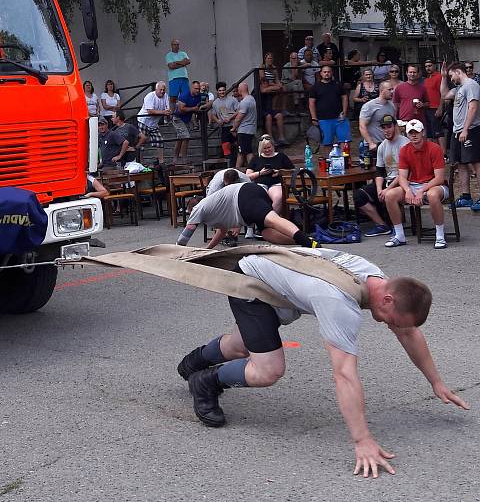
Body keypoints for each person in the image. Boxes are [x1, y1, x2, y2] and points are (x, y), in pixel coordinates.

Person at [176, 247, 468, 478]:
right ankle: (205, 381)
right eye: (394, 320)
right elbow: (344, 375)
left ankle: (194, 362)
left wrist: (436, 382)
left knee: (240, 345)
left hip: (278, 281)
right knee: (268, 369)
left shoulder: (374, 277)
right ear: (388, 300)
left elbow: (408, 331)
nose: (392, 326)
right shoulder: (339, 302)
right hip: (252, 283)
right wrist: (362, 439)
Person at [176, 179, 317, 249]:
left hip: (243, 196)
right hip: (248, 194)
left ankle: (305, 241)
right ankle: (305, 240)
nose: (191, 217)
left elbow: (186, 234)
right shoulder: (213, 212)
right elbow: (222, 231)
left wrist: (175, 251)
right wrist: (207, 250)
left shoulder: (197, 209)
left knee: (271, 219)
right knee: (266, 232)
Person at [383, 120, 449, 249]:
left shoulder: (434, 148)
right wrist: (407, 190)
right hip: (413, 184)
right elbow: (402, 176)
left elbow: (439, 178)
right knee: (390, 195)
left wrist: (421, 191)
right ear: (407, 134)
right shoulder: (404, 150)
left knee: (432, 194)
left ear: (423, 132)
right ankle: (399, 235)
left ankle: (440, 236)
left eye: (417, 132)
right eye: (411, 133)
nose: (414, 135)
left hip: (434, 185)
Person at [354, 114, 409, 236]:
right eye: (383, 128)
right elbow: (379, 171)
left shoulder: (405, 144)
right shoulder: (382, 146)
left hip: (403, 181)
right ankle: (381, 225)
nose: (386, 130)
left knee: (389, 194)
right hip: (388, 180)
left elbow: (404, 173)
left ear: (395, 126)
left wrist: (387, 189)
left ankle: (397, 229)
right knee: (359, 195)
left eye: (389, 127)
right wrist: (380, 189)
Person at [441, 61, 480, 211]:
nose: (451, 79)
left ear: (458, 71)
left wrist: (465, 129)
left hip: (471, 130)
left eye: (451, 75)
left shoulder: (471, 85)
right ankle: (466, 196)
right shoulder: (459, 88)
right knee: (461, 163)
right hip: (457, 131)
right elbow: (444, 95)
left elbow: (473, 107)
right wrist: (444, 77)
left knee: (476, 162)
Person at [246, 135, 294, 213]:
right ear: (261, 148)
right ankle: (262, 221)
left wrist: (280, 172)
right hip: (261, 184)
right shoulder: (256, 158)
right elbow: (247, 176)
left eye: (269, 147)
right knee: (257, 198)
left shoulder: (281, 156)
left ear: (273, 146)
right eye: (264, 148)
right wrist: (260, 173)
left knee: (278, 197)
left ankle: (272, 220)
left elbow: (292, 171)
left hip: (277, 183)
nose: (267, 150)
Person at [308, 65, 350, 148]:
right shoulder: (315, 87)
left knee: (345, 142)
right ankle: (328, 160)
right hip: (323, 119)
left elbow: (344, 97)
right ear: (321, 73)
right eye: (325, 72)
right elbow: (311, 103)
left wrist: (344, 112)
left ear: (332, 73)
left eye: (328, 72)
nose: (327, 74)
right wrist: (314, 117)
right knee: (327, 143)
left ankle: (345, 160)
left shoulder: (338, 84)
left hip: (340, 118)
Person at [137, 81, 171, 164]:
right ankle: (141, 161)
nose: (162, 91)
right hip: (143, 121)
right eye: (160, 90)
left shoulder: (166, 96)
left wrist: (168, 113)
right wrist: (163, 112)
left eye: (164, 90)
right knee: (142, 142)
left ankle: (161, 161)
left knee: (159, 141)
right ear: (156, 89)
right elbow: (150, 111)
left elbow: (167, 109)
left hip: (154, 123)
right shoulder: (150, 96)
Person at [358, 80, 397, 154]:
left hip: (388, 144)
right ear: (382, 91)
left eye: (393, 89)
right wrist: (370, 143)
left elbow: (395, 125)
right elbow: (362, 126)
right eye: (389, 89)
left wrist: (398, 140)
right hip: (374, 145)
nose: (392, 92)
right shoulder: (369, 106)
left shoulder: (392, 106)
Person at [259, 52, 288, 147]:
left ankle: (281, 137)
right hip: (263, 108)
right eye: (268, 58)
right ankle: (271, 138)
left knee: (279, 115)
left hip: (271, 90)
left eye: (271, 58)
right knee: (268, 116)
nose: (270, 60)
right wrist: (272, 85)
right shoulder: (262, 68)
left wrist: (277, 85)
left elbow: (277, 81)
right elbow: (263, 88)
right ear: (265, 59)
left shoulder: (274, 68)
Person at [209, 81, 239, 167]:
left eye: (223, 90)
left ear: (226, 90)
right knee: (225, 147)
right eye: (220, 90)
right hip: (224, 128)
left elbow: (238, 111)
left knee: (237, 146)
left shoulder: (232, 100)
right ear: (217, 91)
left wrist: (230, 117)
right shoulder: (215, 103)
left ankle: (238, 165)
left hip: (234, 126)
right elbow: (213, 114)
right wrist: (218, 121)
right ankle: (229, 166)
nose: (222, 92)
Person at [174, 80, 205, 162]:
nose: (197, 90)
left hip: (187, 119)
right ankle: (184, 158)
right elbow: (181, 108)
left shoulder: (198, 96)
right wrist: (193, 109)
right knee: (186, 136)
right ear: (191, 87)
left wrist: (196, 111)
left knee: (180, 138)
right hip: (178, 118)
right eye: (195, 88)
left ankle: (176, 158)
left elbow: (197, 106)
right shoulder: (184, 95)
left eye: (198, 89)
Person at [231, 82, 257, 168]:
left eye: (238, 88)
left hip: (244, 130)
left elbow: (239, 117)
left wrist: (234, 128)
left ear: (241, 89)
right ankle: (240, 169)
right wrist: (230, 117)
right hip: (251, 129)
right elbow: (239, 111)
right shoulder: (251, 99)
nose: (237, 90)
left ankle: (249, 169)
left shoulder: (244, 102)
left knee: (244, 151)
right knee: (244, 151)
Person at [422, 59, 445, 149]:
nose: (428, 68)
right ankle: (435, 152)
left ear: (435, 66)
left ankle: (443, 154)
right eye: (426, 66)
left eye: (430, 65)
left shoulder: (439, 77)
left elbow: (443, 93)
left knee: (439, 132)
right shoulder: (426, 79)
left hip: (436, 108)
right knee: (431, 133)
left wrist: (440, 108)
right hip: (427, 108)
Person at [166, 38, 191, 110]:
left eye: (177, 45)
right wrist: (182, 63)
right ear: (171, 45)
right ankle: (171, 115)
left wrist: (176, 62)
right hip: (174, 78)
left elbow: (188, 61)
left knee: (186, 96)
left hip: (184, 78)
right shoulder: (169, 55)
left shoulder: (183, 53)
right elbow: (171, 66)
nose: (176, 46)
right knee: (173, 97)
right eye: (174, 45)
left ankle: (186, 115)